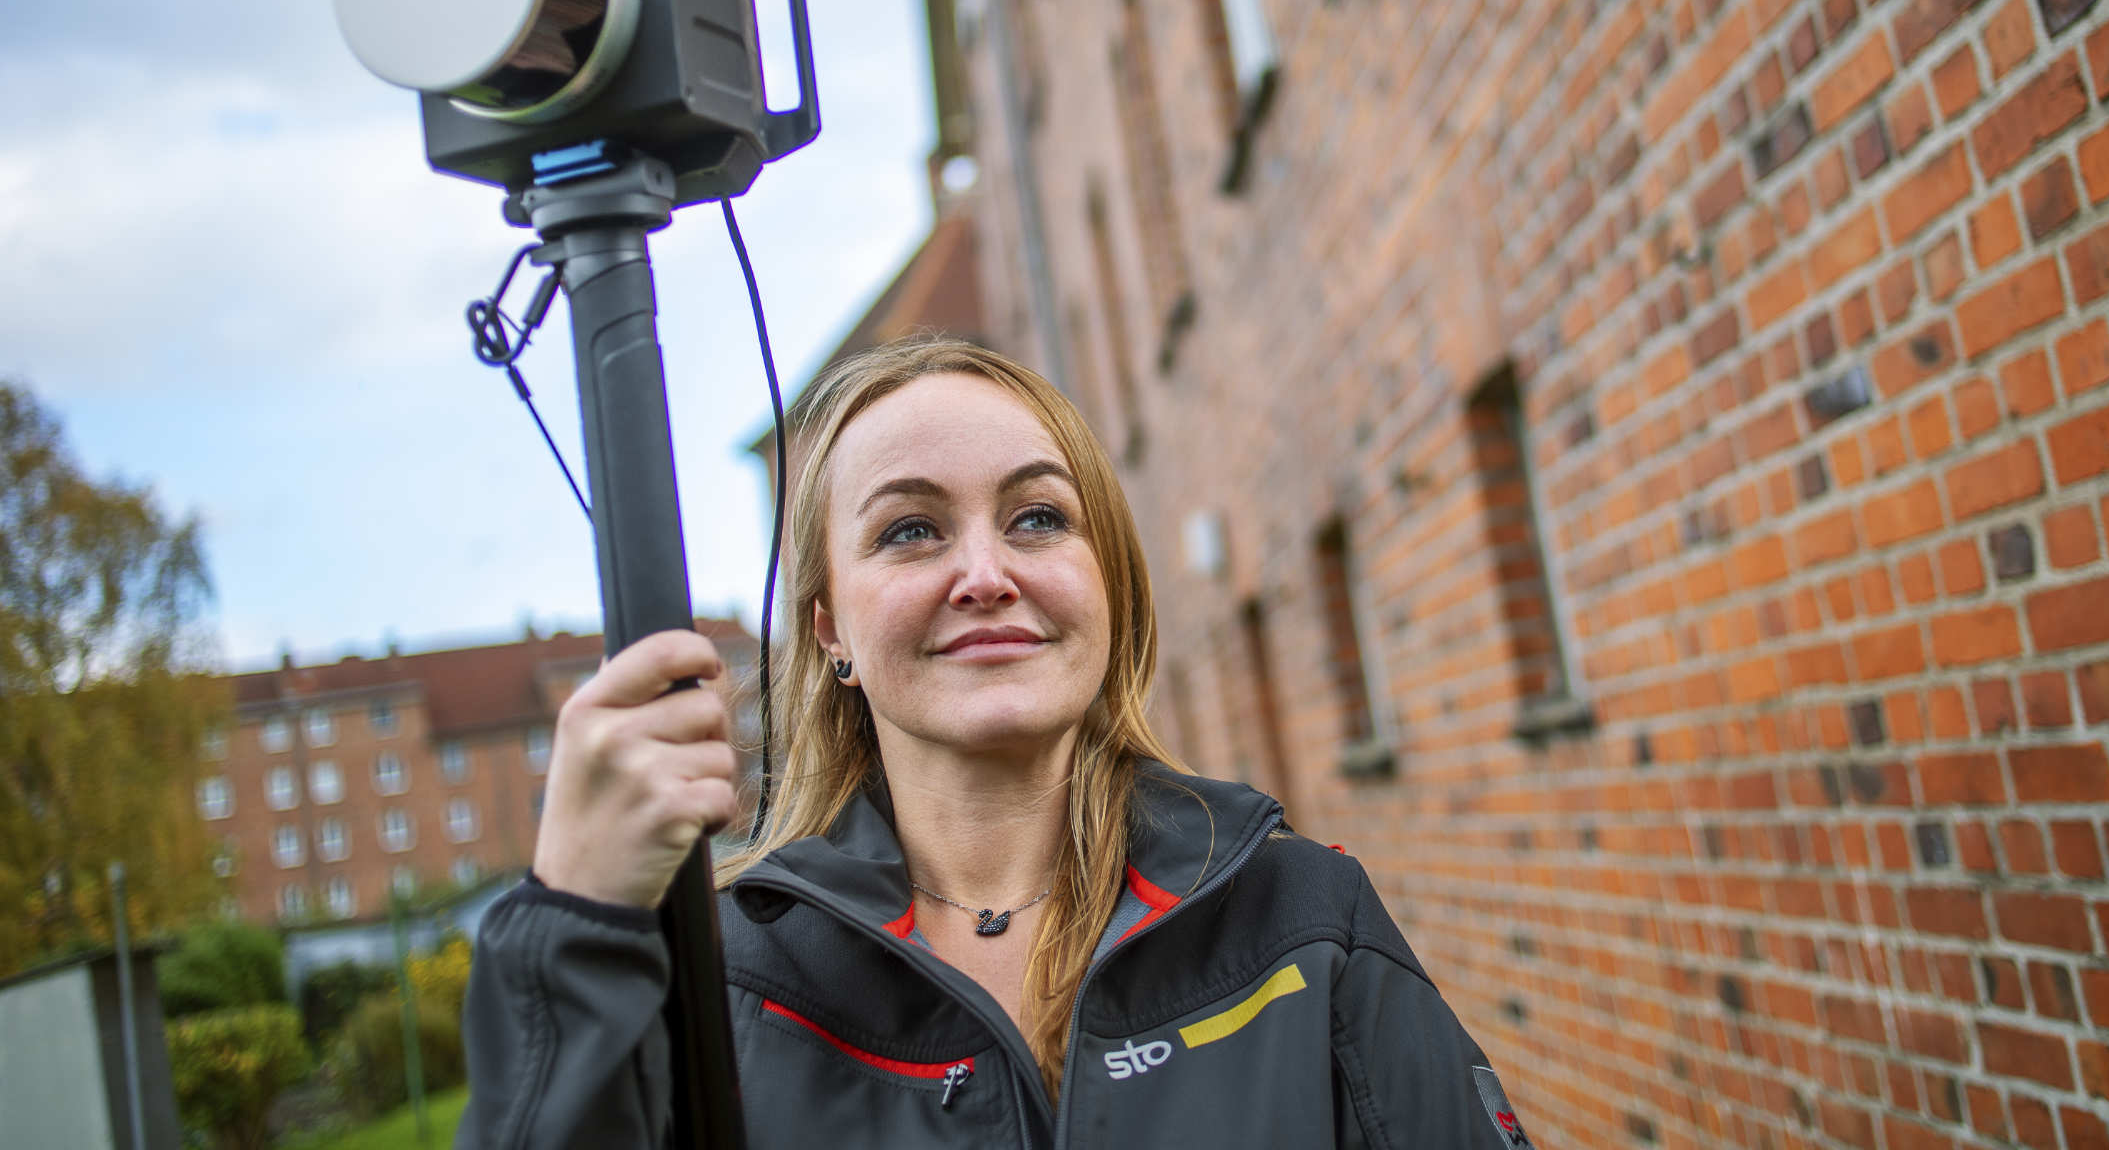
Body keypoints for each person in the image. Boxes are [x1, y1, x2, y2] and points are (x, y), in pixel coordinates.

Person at [458, 336, 1538, 1147]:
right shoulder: (730, 980)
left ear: (1105, 581)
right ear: (830, 627)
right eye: (911, 530)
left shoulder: (1300, 922)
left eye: (1036, 518)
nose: (986, 573)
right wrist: (576, 916)